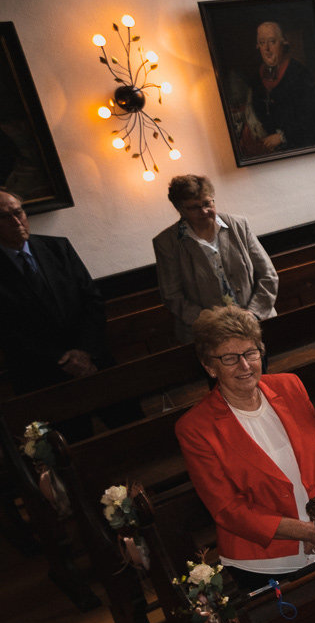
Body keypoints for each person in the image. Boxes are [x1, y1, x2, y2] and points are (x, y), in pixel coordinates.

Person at [175, 307, 315, 593]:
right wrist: (305, 531)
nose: (244, 365)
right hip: (267, 559)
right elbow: (227, 508)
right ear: (209, 366)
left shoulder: (290, 385)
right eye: (229, 358)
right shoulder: (195, 427)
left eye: (251, 353)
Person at [0, 188, 140, 439]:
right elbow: (8, 332)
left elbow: (92, 301)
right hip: (43, 376)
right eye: (4, 217)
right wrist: (63, 360)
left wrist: (84, 351)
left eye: (18, 212)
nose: (16, 221)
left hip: (94, 361)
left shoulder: (57, 247)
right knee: (72, 446)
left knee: (134, 431)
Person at [152, 175, 278, 343]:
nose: (204, 211)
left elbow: (268, 276)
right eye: (194, 207)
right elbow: (172, 296)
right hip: (207, 335)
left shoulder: (239, 225)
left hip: (257, 323)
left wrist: (253, 313)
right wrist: (213, 324)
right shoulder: (167, 242)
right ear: (180, 209)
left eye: (207, 203)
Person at [241, 21, 315, 155]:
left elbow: (313, 116)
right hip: (269, 150)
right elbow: (253, 115)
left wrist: (282, 136)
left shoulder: (299, 74)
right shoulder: (256, 78)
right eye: (262, 43)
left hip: (300, 146)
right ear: (258, 46)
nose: (267, 49)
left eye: (272, 42)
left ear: (283, 43)